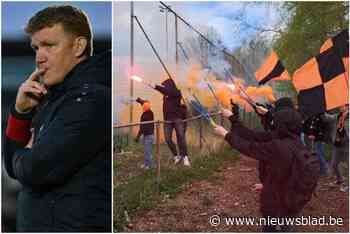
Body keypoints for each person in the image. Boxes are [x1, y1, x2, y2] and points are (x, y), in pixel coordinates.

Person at [4, 5, 111, 231]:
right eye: (36, 47)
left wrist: (26, 156)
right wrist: (20, 114)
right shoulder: (57, 98)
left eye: (49, 45)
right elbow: (16, 170)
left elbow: (35, 169)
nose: (39, 57)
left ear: (79, 46)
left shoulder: (89, 99)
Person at [214, 98, 319, 232]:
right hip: (291, 203)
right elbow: (287, 172)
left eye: (277, 122)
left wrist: (225, 134)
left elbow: (248, 147)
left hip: (278, 206)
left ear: (282, 124)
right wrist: (267, 184)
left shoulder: (278, 146)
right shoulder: (296, 142)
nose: (274, 124)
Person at [152, 78, 190, 166]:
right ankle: (176, 156)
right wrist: (155, 87)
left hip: (177, 118)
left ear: (170, 85)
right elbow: (164, 91)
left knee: (181, 137)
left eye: (165, 85)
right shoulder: (165, 94)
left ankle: (185, 157)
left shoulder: (177, 92)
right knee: (168, 139)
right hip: (167, 120)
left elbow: (168, 91)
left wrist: (156, 86)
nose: (164, 87)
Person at [329, 105, 349, 192]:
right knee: (334, 164)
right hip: (337, 144)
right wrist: (321, 110)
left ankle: (348, 185)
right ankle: (340, 179)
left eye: (342, 106)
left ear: (347, 106)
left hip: (347, 144)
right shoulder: (338, 115)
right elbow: (329, 118)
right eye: (340, 106)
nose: (340, 107)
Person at [135, 97, 154, 170]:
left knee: (148, 151)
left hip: (148, 136)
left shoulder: (146, 115)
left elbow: (142, 128)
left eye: (143, 105)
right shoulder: (149, 113)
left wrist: (138, 137)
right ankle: (146, 164)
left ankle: (150, 166)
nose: (142, 106)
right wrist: (139, 100)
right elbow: (145, 103)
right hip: (147, 135)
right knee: (147, 151)